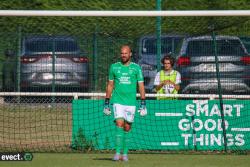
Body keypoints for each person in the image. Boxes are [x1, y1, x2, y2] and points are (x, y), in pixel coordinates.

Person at [103, 45, 147, 162]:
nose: (123, 55)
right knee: (119, 124)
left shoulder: (136, 68)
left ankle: (125, 154)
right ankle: (117, 153)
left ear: (130, 54)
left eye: (126, 53)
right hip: (118, 101)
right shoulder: (114, 67)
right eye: (122, 53)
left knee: (127, 127)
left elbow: (141, 86)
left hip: (131, 103)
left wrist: (143, 103)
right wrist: (106, 102)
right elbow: (110, 85)